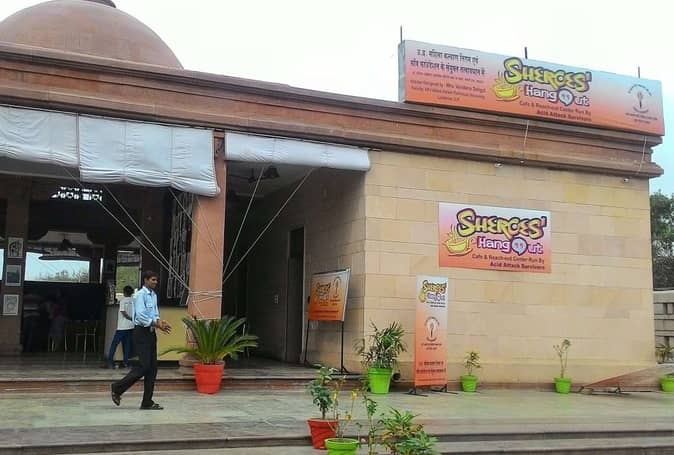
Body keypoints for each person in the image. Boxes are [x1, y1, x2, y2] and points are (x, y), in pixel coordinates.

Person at [110, 271, 171, 410]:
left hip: (151, 333)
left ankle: (147, 402)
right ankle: (117, 388)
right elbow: (141, 316)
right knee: (144, 366)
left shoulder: (153, 295)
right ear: (146, 280)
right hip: (141, 333)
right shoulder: (140, 295)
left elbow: (154, 314)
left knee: (152, 369)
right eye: (153, 279)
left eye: (156, 280)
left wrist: (160, 322)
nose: (155, 282)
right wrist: (156, 324)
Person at [106, 286, 135, 368]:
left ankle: (110, 361)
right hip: (130, 326)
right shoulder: (134, 301)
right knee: (127, 345)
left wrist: (129, 318)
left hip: (122, 327)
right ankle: (125, 362)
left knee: (114, 344)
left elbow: (123, 312)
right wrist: (132, 319)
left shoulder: (123, 301)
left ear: (124, 292)